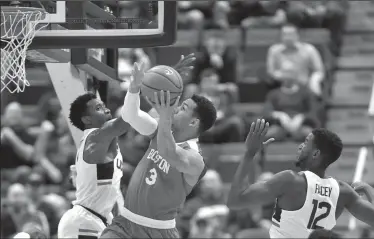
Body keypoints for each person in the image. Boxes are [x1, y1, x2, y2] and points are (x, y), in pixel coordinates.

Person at [100, 57, 218, 238]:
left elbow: (168, 151)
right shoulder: (160, 129)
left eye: (183, 107)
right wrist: (134, 89)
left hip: (159, 231)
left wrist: (164, 116)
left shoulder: (195, 159)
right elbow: (131, 116)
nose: (177, 108)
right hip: (125, 224)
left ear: (194, 122)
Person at [226, 119, 374, 238]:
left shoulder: (290, 181)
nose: (300, 146)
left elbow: (234, 201)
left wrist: (249, 154)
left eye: (306, 143)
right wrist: (369, 190)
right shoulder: (343, 191)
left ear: (315, 154)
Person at [57, 92, 130, 238]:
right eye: (99, 108)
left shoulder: (104, 141)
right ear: (87, 119)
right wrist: (138, 89)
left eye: (104, 106)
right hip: (83, 221)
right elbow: (129, 120)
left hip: (98, 218)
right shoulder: (95, 138)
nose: (107, 110)